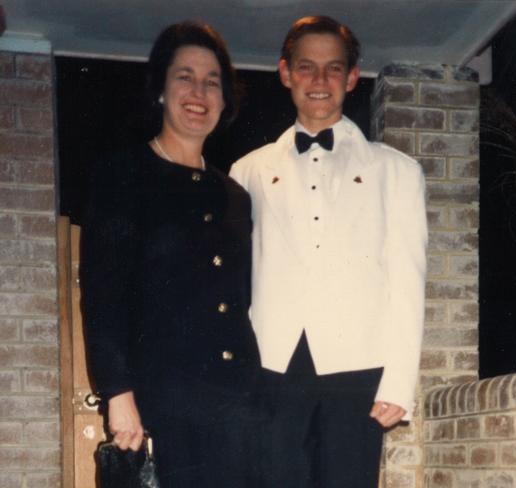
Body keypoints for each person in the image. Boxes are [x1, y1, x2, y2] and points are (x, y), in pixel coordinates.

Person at [229, 15, 427, 488]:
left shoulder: (397, 172)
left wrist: (399, 381)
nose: (320, 81)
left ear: (352, 77)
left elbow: (407, 280)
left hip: (357, 369)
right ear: (285, 73)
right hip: (272, 367)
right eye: (306, 67)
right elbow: (235, 284)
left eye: (333, 68)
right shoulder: (247, 171)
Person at [80, 20, 261, 487]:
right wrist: (117, 393)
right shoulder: (124, 175)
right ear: (160, 88)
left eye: (212, 82)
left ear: (225, 100)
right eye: (185, 76)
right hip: (160, 404)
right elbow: (103, 295)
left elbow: (240, 303)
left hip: (234, 408)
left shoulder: (235, 197)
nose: (198, 91)